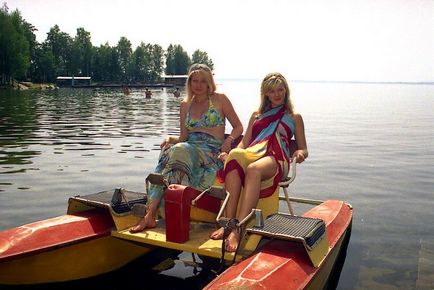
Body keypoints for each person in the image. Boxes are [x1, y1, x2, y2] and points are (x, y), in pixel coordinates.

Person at [130, 63, 243, 232]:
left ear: (209, 83)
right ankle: (151, 213)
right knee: (169, 150)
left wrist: (230, 140)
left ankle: (160, 213)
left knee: (179, 151)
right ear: (189, 83)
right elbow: (183, 137)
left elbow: (238, 127)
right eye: (194, 81)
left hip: (211, 150)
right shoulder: (185, 105)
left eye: (202, 81)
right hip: (188, 146)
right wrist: (169, 138)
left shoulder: (220, 99)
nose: (198, 85)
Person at [209, 72, 308, 252]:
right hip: (254, 153)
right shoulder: (256, 115)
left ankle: (239, 229)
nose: (277, 94)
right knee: (236, 155)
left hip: (276, 159)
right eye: (272, 91)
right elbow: (244, 143)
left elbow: (303, 148)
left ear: (286, 91)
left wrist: (300, 154)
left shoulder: (294, 117)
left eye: (280, 89)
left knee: (254, 169)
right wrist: (231, 153)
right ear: (265, 94)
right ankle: (229, 223)